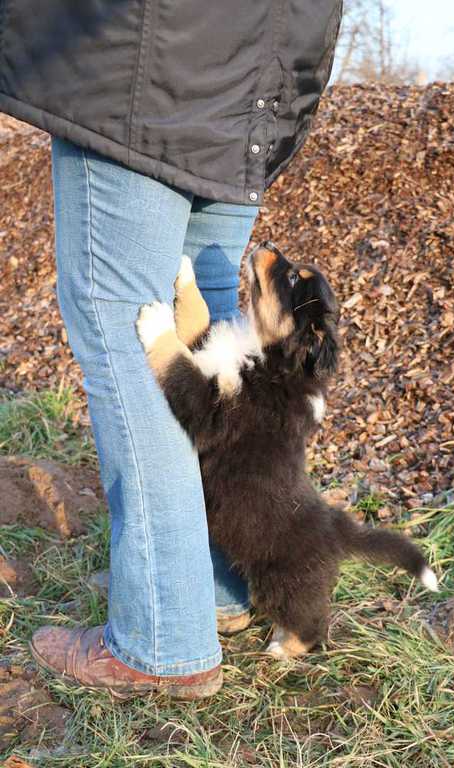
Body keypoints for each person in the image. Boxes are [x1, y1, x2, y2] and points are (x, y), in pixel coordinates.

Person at [0, 1, 343, 699]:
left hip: (142, 71)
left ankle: (161, 639)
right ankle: (206, 589)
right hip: (258, 80)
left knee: (128, 336)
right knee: (205, 319)